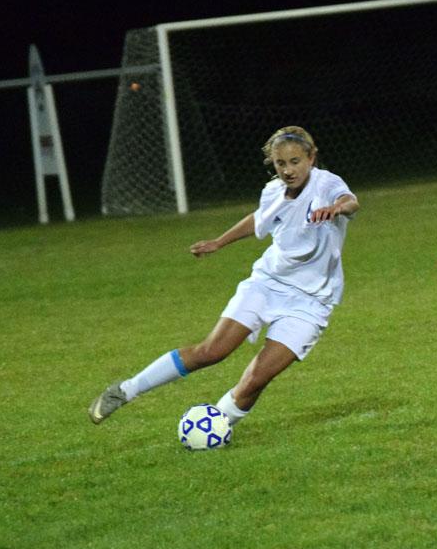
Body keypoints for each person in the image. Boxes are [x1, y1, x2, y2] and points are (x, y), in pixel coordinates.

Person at [89, 126, 360, 430]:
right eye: (280, 164)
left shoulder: (326, 183)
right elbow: (259, 219)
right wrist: (219, 242)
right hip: (268, 284)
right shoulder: (273, 191)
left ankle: (216, 427)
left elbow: (350, 201)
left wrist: (337, 208)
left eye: (295, 161)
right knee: (211, 351)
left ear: (312, 157)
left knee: (257, 378)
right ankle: (125, 390)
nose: (288, 170)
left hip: (312, 301)